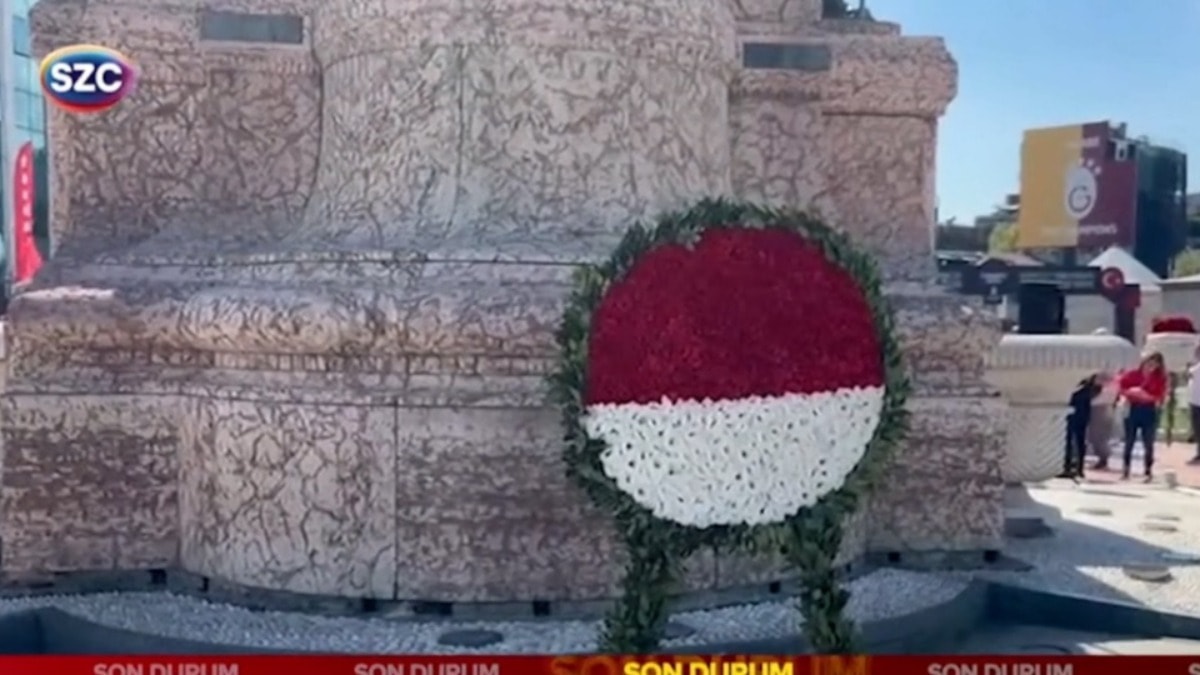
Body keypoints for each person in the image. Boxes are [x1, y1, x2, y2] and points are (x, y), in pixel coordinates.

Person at [1117, 352, 1168, 482]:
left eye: (1155, 364)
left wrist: (1147, 396)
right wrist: (1131, 392)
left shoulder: (1159, 378)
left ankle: (1147, 470)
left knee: (1148, 442)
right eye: (1149, 362)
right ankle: (1126, 470)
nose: (1151, 365)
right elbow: (1120, 386)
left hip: (1149, 410)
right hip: (1132, 408)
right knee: (1129, 440)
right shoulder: (1133, 374)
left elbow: (1160, 395)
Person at [1063, 373, 1107, 479]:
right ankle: (1067, 467)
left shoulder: (1090, 384)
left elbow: (1096, 391)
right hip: (1071, 411)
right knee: (1067, 440)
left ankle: (1079, 468)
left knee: (1079, 440)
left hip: (1081, 413)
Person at [1188, 347, 1200, 465]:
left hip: (1197, 403)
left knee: (1198, 430)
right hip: (1195, 402)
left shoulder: (1196, 369)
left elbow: (1190, 372)